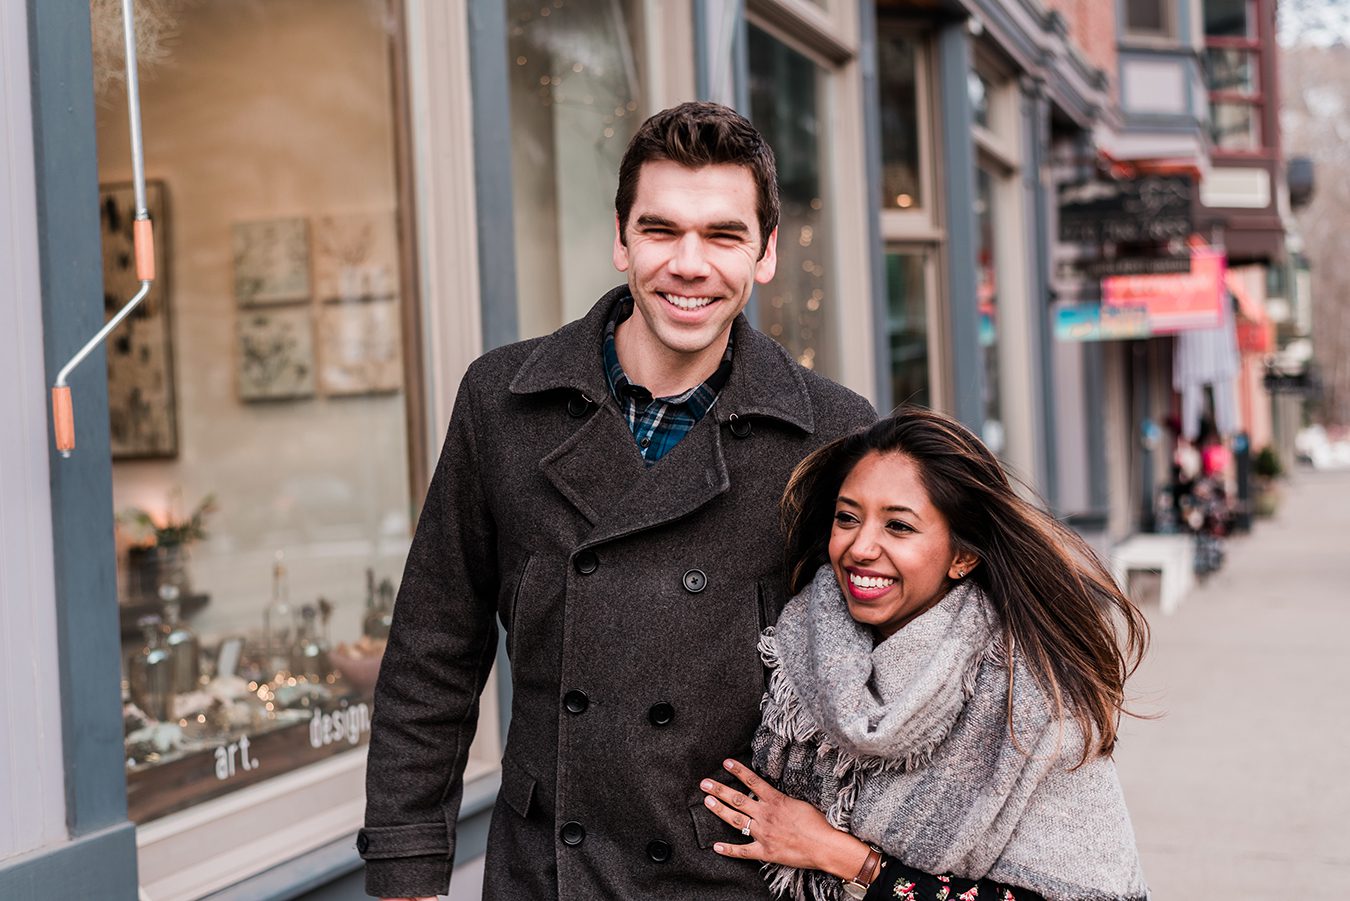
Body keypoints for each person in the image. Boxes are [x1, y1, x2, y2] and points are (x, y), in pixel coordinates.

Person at [357, 101, 876, 900]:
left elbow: (894, 672)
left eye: (724, 235)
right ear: (621, 239)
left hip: (731, 876)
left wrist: (851, 852)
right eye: (662, 230)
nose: (689, 264)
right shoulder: (503, 401)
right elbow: (434, 648)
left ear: (765, 253)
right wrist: (405, 870)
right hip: (548, 872)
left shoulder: (833, 433)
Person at [698, 408, 1150, 901]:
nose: (860, 547)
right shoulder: (797, 643)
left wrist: (841, 856)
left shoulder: (1030, 698)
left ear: (963, 556)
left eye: (899, 527)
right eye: (848, 517)